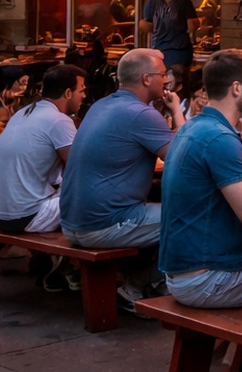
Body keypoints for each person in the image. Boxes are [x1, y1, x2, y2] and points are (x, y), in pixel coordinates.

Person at [159, 49, 242, 308]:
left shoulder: (194, 127)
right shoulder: (220, 138)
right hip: (208, 278)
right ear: (236, 88)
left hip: (188, 273)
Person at [60, 48, 177, 253]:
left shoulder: (100, 105)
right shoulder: (141, 113)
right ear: (147, 79)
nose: (166, 80)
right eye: (163, 74)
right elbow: (183, 161)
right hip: (105, 225)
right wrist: (177, 111)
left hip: (71, 222)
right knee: (200, 215)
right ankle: (146, 282)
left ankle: (142, 280)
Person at [0, 64, 84, 236]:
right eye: (81, 90)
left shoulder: (22, 113)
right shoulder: (59, 120)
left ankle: (45, 262)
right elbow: (81, 168)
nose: (84, 95)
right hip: (27, 215)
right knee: (96, 195)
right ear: (68, 93)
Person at [141, 0, 199, 71]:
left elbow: (147, 27)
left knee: (161, 81)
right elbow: (192, 26)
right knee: (178, 82)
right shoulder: (184, 3)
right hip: (180, 53)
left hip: (158, 52)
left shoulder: (151, 3)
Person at [0, 67, 30, 140]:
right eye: (23, 83)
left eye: (27, 83)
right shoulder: (2, 110)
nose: (25, 87)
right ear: (11, 83)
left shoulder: (16, 104)